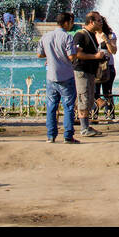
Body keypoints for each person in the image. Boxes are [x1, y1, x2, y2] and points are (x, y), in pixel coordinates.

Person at [37, 12, 80, 144]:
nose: (71, 25)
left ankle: (51, 135)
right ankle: (68, 136)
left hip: (51, 75)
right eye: (71, 22)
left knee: (51, 106)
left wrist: (51, 56)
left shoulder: (46, 36)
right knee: (68, 106)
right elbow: (71, 56)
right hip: (66, 75)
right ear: (66, 22)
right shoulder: (67, 37)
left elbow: (39, 55)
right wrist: (77, 52)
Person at [73, 11, 116, 137]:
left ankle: (86, 126)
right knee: (84, 99)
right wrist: (95, 56)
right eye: (98, 20)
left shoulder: (91, 34)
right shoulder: (81, 35)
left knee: (88, 99)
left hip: (90, 72)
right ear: (91, 22)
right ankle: (84, 128)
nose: (101, 22)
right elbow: (77, 54)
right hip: (82, 71)